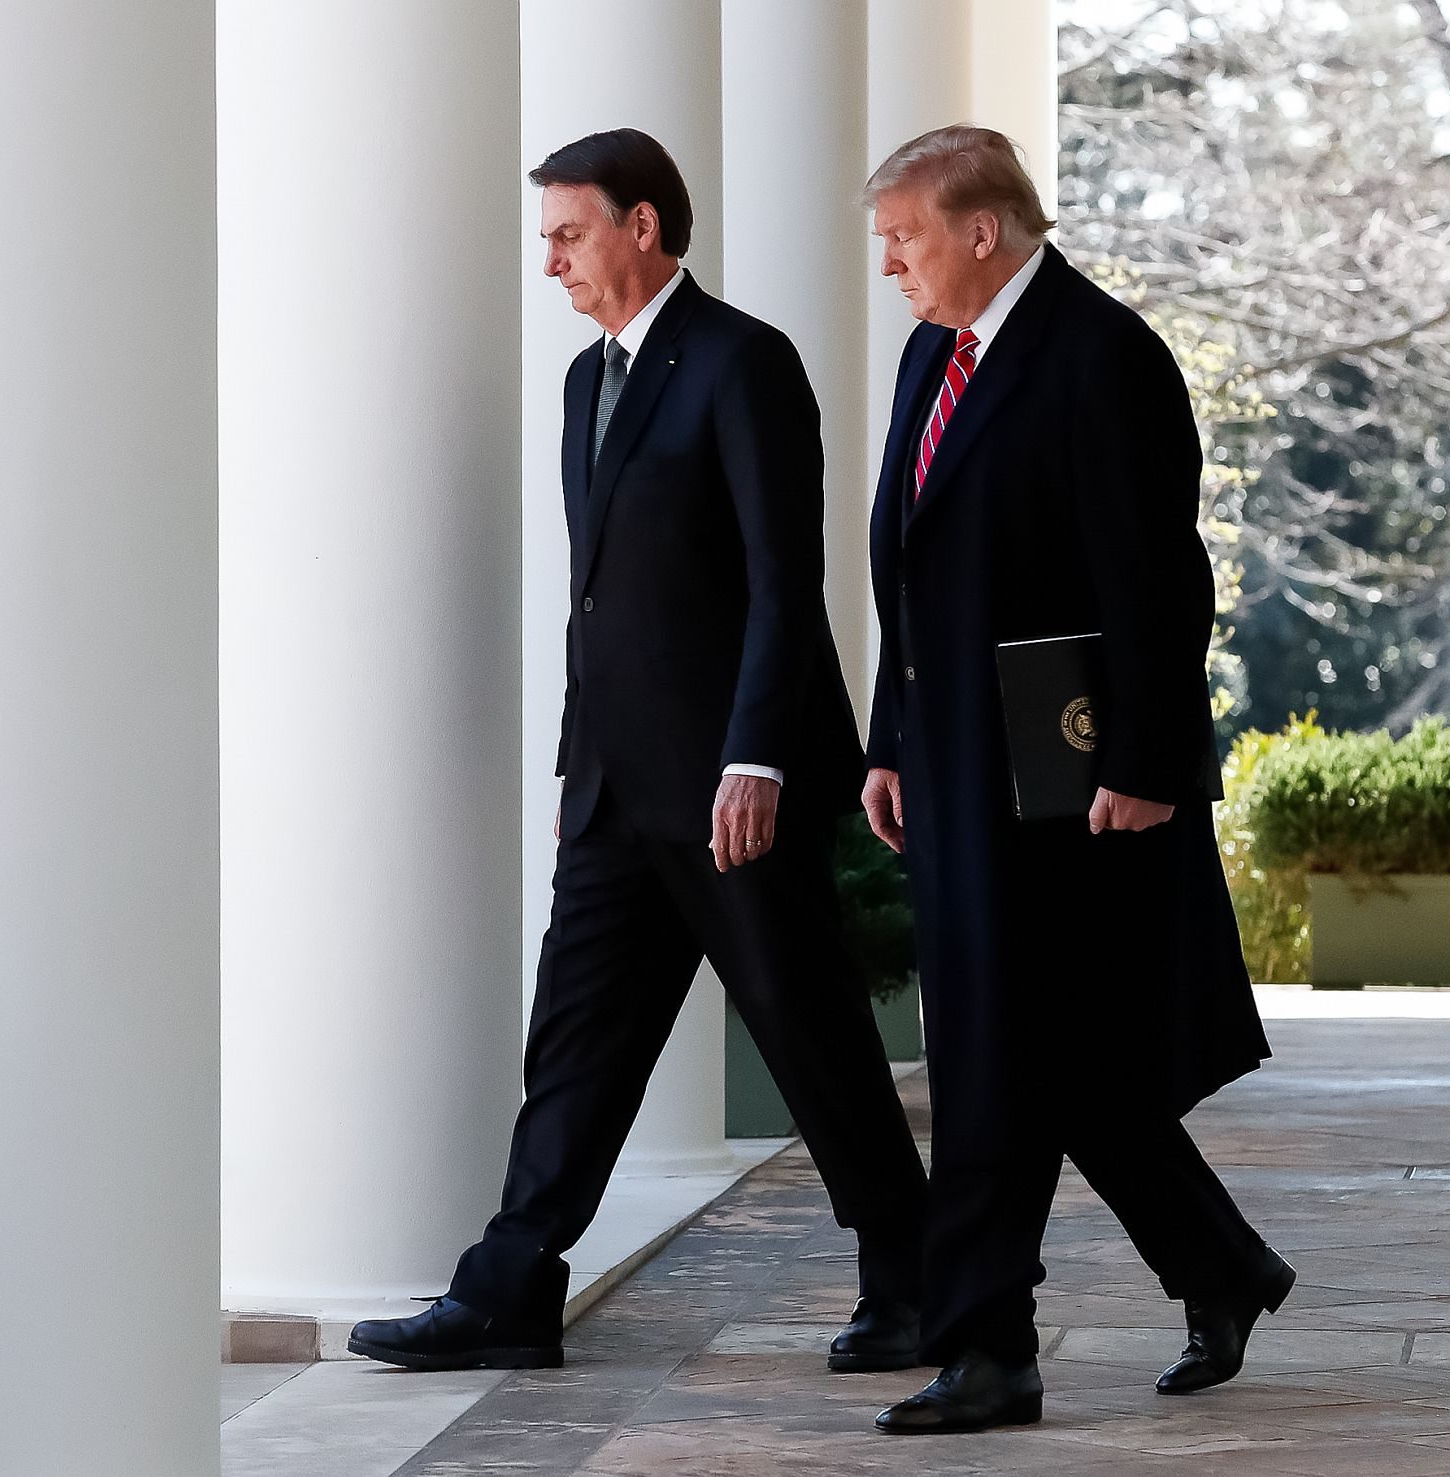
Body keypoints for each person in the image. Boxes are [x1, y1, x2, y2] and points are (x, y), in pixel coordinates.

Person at [350, 128, 927, 1375]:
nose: (548, 259)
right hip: (616, 786)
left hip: (730, 785)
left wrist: (757, 757)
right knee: (575, 1041)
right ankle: (506, 1291)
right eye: (546, 237)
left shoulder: (743, 364)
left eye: (568, 232)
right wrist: (575, 763)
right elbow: (596, 597)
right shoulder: (583, 382)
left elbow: (785, 579)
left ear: (644, 227)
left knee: (809, 1031)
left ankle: (916, 1280)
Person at [858, 125, 1294, 1435]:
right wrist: (890, 735)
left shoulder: (1106, 356)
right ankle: (1218, 1267)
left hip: (1071, 776)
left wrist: (1152, 763)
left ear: (983, 231)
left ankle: (990, 1347)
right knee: (1057, 1057)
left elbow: (1159, 581)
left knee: (996, 1056)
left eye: (906, 238)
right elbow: (911, 569)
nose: (890, 263)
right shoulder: (935, 352)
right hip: (953, 767)